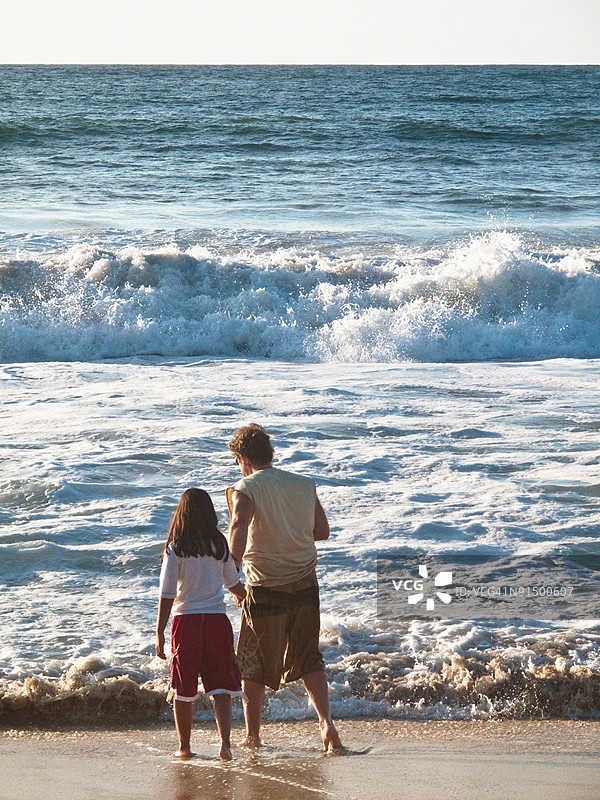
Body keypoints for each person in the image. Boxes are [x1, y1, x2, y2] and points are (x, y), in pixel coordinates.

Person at [226, 423, 342, 752]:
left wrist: (231, 572)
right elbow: (321, 531)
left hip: (266, 587)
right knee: (309, 657)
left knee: (253, 662)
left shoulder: (245, 487)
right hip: (306, 583)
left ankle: (253, 736)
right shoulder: (304, 484)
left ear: (241, 457)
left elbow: (239, 525)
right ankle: (326, 723)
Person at [155, 487, 246, 761]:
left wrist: (159, 631)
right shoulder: (219, 544)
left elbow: (167, 592)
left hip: (188, 622)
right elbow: (234, 584)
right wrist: (249, 600)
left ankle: (184, 747)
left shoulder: (176, 547)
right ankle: (225, 744)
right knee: (221, 688)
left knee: (183, 689)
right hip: (218, 621)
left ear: (181, 514)